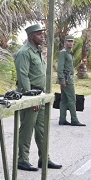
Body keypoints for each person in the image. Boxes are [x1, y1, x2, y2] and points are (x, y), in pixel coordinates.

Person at [14, 24, 62, 171]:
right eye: (39, 34)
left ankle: (44, 159)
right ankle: (22, 159)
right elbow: (23, 76)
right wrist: (30, 98)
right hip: (30, 94)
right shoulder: (24, 52)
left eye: (42, 33)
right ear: (30, 36)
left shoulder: (38, 51)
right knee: (27, 129)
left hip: (40, 94)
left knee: (42, 129)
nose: (42, 36)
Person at [56, 35, 85, 126]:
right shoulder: (63, 53)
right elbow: (60, 67)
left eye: (72, 41)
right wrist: (62, 79)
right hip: (67, 79)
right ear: (65, 42)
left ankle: (62, 119)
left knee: (64, 100)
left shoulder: (69, 53)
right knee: (72, 99)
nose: (70, 43)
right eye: (68, 41)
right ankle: (74, 119)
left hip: (69, 78)